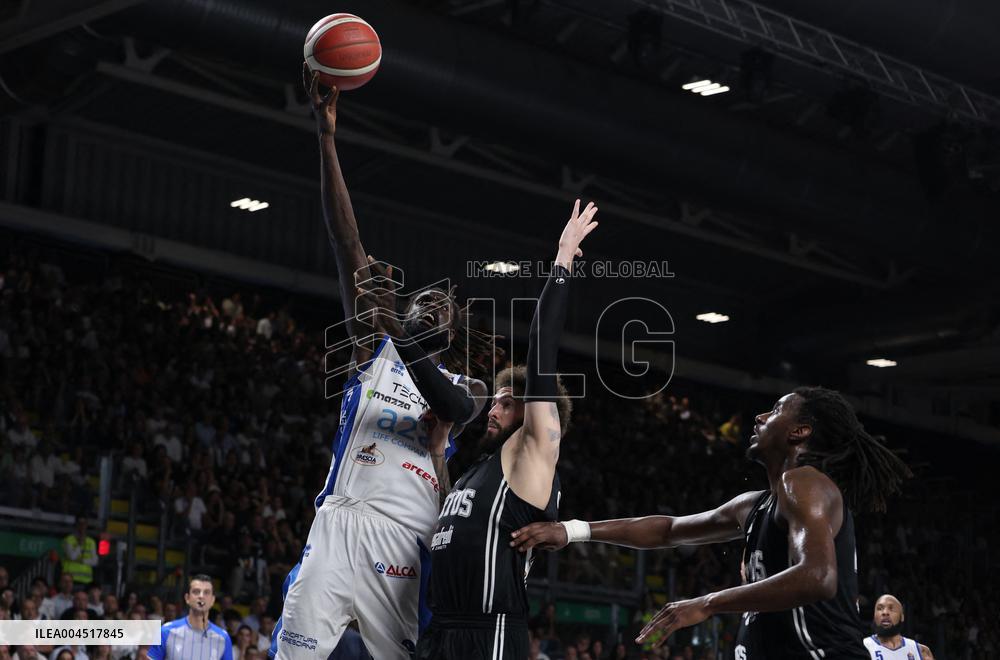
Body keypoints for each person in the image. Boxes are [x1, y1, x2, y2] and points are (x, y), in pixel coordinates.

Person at [270, 66, 496, 660]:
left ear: (451, 330)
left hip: (407, 542)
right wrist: (326, 137)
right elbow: (346, 241)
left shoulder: (462, 382)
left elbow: (451, 408)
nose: (430, 301)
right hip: (342, 522)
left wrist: (399, 331)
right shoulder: (368, 348)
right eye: (422, 298)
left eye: (440, 304)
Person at [512, 387, 912, 658]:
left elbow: (818, 576)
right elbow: (668, 529)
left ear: (800, 431)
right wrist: (574, 530)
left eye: (774, 410)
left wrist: (707, 603)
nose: (759, 417)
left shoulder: (803, 482)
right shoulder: (756, 504)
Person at [416, 201, 598, 659]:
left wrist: (562, 260)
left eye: (505, 402)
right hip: (442, 630)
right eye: (494, 400)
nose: (492, 409)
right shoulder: (479, 466)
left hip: (490, 630)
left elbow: (541, 352)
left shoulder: (532, 450)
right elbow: (447, 521)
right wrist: (438, 452)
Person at [148, 574, 232, 660]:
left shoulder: (223, 638)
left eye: (206, 593)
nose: (201, 596)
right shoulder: (166, 631)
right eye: (196, 592)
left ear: (212, 600)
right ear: (187, 598)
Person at [862, 594, 935, 659]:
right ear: (874, 616)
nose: (885, 612)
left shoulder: (921, 651)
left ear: (902, 617)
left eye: (891, 609)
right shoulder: (863, 647)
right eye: (880, 608)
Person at [60, 517, 97, 587]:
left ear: (86, 525)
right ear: (76, 525)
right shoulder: (68, 540)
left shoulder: (91, 542)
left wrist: (82, 561)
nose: (82, 526)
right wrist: (80, 544)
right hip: (70, 580)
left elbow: (95, 561)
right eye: (80, 524)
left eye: (84, 524)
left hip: (86, 581)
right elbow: (72, 557)